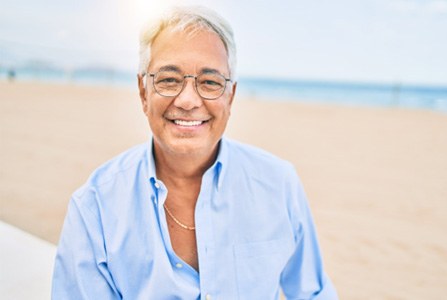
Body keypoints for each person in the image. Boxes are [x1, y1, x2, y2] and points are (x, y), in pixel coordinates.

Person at [52, 6, 338, 299]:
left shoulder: (278, 184)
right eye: (169, 79)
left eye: (210, 82)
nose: (188, 100)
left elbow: (312, 292)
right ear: (143, 91)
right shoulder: (95, 206)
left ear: (231, 96)